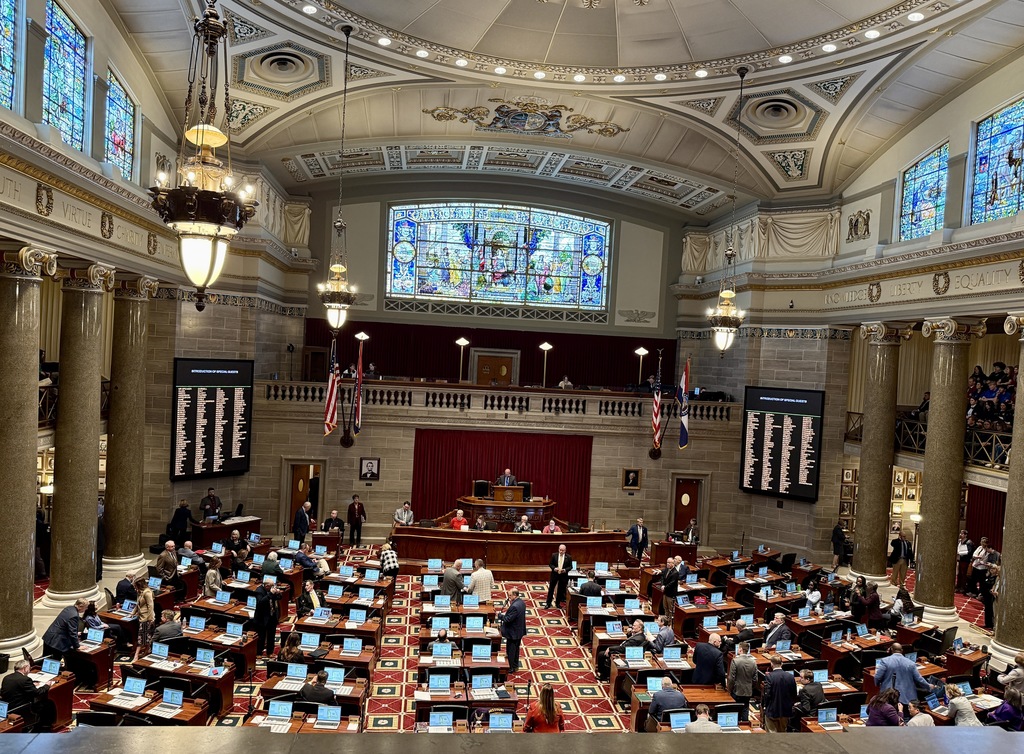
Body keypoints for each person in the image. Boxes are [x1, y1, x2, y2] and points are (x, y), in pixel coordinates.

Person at [1, 660, 52, 731]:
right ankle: (43, 727)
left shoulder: (7, 678)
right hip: (21, 708)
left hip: (8, 708)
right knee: (47, 704)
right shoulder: (25, 679)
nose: (29, 670)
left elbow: (16, 688)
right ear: (25, 668)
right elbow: (38, 692)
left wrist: (31, 685)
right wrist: (47, 685)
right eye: (29, 668)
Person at [762, 653, 797, 732]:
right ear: (782, 664)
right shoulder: (790, 676)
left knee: (771, 734)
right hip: (786, 710)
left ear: (771, 664)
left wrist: (765, 705)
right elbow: (794, 693)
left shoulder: (769, 676)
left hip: (772, 710)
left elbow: (767, 694)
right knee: (783, 733)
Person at [728, 641, 757, 722]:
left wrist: (729, 689)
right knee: (745, 709)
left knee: (735, 710)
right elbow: (755, 679)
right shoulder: (753, 662)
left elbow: (731, 678)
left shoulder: (735, 661)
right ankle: (745, 726)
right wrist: (751, 687)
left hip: (737, 690)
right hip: (748, 691)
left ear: (740, 649)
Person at [499, 588, 527, 673]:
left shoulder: (514, 606)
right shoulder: (521, 603)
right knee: (516, 649)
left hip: (513, 632)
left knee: (511, 650)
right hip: (519, 631)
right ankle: (515, 665)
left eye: (510, 595)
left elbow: (508, 619)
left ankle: (510, 667)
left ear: (515, 595)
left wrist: (500, 616)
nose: (509, 597)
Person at [253, 577, 282, 657]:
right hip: (262, 618)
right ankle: (259, 652)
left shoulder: (271, 591)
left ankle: (270, 652)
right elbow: (260, 603)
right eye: (272, 586)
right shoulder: (259, 591)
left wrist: (278, 593)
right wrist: (270, 594)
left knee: (271, 636)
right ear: (267, 586)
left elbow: (279, 598)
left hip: (272, 615)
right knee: (261, 636)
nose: (273, 587)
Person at [131, 578, 155, 664]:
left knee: (141, 638)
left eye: (135, 586)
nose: (134, 588)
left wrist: (150, 618)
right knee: (146, 636)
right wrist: (133, 613)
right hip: (141, 617)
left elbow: (150, 606)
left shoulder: (147, 592)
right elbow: (138, 604)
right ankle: (146, 651)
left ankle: (136, 656)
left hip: (147, 618)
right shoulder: (140, 592)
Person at [544, 544, 571, 609]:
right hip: (554, 575)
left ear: (565, 550)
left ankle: (558, 603)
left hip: (563, 576)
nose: (561, 551)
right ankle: (548, 603)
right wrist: (554, 568)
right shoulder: (554, 555)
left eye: (563, 550)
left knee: (560, 590)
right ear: (558, 549)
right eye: (560, 550)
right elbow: (550, 564)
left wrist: (565, 570)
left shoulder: (569, 557)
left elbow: (570, 567)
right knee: (551, 589)